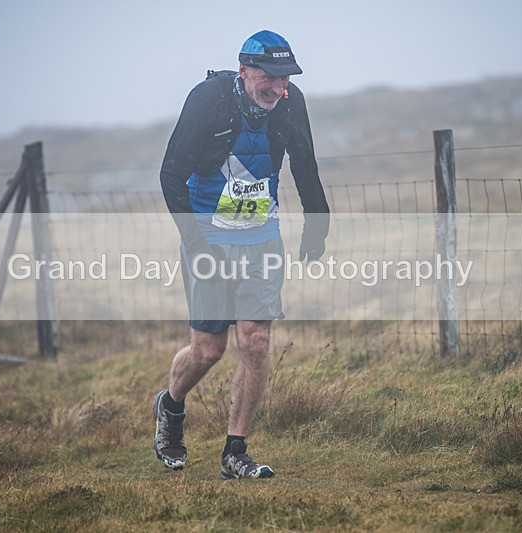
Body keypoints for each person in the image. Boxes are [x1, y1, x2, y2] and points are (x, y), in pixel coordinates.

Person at [155, 29, 329, 479]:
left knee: (255, 341)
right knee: (207, 350)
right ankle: (171, 406)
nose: (279, 87)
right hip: (208, 235)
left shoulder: (291, 102)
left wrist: (317, 225)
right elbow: (171, 175)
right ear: (244, 69)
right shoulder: (207, 99)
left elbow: (304, 162)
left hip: (261, 236)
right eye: (270, 77)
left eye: (286, 78)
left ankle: (235, 450)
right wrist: (196, 243)